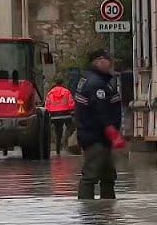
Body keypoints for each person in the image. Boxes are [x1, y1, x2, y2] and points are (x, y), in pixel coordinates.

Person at [74, 49, 125, 200]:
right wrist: (113, 133)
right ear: (98, 61)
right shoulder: (96, 84)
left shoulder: (94, 80)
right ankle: (89, 213)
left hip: (98, 137)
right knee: (91, 175)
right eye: (108, 60)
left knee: (108, 176)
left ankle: (106, 210)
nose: (110, 63)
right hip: (96, 137)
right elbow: (100, 112)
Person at [45, 77, 76, 156]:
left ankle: (58, 150)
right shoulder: (66, 92)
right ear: (62, 84)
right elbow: (71, 104)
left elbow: (47, 105)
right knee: (71, 128)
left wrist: (50, 112)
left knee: (58, 132)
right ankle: (65, 140)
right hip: (65, 114)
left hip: (54, 115)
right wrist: (72, 111)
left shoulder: (50, 93)